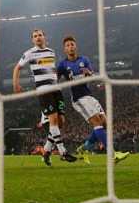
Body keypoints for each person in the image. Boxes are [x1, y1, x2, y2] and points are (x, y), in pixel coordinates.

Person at [55, 35, 129, 165]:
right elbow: (55, 78)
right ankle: (113, 154)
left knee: (105, 124)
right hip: (78, 99)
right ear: (65, 49)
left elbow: (94, 77)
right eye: (67, 45)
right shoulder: (62, 64)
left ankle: (84, 149)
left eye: (72, 44)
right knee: (98, 124)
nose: (70, 47)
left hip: (89, 96)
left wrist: (89, 73)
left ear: (76, 47)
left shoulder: (84, 60)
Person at [13, 28, 78, 165]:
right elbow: (17, 68)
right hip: (43, 90)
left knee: (61, 121)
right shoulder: (29, 53)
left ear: (44, 37)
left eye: (40, 35)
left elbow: (52, 68)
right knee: (53, 119)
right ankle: (63, 151)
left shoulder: (51, 52)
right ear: (32, 40)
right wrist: (16, 85)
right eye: (35, 36)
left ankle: (46, 150)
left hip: (56, 89)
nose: (38, 38)